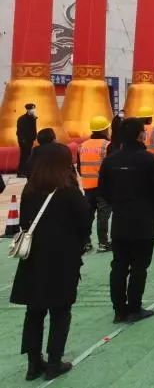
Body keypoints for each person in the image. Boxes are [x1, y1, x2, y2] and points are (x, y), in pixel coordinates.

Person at [10, 143, 89, 381]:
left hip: (34, 257)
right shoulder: (69, 191)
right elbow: (84, 222)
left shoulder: (30, 190)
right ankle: (55, 361)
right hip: (63, 258)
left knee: (34, 311)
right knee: (60, 310)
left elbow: (24, 223)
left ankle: (33, 363)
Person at [98, 118, 154, 323]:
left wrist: (119, 203)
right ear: (141, 135)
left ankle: (119, 310)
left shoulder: (111, 160)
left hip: (121, 220)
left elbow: (104, 190)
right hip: (144, 220)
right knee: (139, 266)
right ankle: (134, 308)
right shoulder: (148, 160)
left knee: (119, 265)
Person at [77, 116, 112, 253]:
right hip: (103, 187)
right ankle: (103, 243)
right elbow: (111, 166)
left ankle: (85, 243)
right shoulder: (107, 145)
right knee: (103, 215)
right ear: (104, 130)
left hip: (87, 186)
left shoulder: (82, 146)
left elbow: (79, 167)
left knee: (88, 215)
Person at [16, 103, 38, 177]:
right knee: (24, 155)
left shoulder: (33, 118)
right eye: (31, 109)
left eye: (34, 109)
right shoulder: (22, 119)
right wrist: (22, 140)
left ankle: (26, 171)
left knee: (28, 155)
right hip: (23, 140)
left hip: (30, 140)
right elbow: (20, 131)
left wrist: (35, 137)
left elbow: (34, 129)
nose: (33, 110)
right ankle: (20, 172)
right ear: (27, 109)